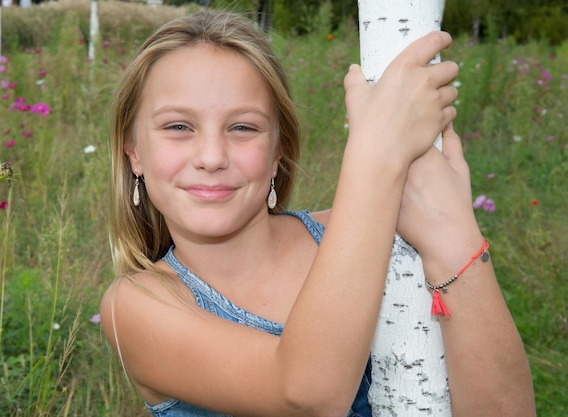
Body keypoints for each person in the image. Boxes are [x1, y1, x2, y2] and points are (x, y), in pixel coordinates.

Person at [101, 9, 536, 417]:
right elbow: (308, 394)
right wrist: (375, 154)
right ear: (134, 151)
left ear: (278, 153)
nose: (212, 157)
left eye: (243, 127)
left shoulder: (373, 234)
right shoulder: (139, 305)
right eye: (178, 126)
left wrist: (452, 231)